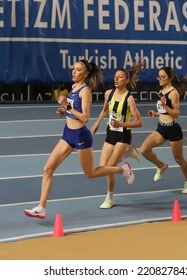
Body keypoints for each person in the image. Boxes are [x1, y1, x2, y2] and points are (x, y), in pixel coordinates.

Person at [24, 60, 134, 219]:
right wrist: (64, 111)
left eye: (78, 70)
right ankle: (42, 207)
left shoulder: (85, 91)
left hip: (81, 136)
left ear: (86, 74)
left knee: (91, 173)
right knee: (48, 168)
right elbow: (73, 111)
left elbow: (85, 118)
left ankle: (123, 169)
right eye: (73, 69)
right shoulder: (73, 88)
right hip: (68, 134)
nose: (74, 72)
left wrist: (68, 108)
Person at [90, 62, 144, 209]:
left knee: (110, 167)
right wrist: (97, 123)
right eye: (115, 77)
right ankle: (128, 155)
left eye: (120, 77)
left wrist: (122, 125)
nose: (116, 79)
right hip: (110, 134)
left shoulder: (129, 99)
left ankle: (110, 198)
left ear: (126, 80)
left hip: (123, 136)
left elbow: (139, 122)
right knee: (103, 167)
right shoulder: (109, 93)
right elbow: (104, 110)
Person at [140, 67, 187, 194]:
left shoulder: (173, 93)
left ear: (170, 78)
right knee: (144, 150)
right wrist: (156, 113)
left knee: (179, 159)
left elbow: (176, 113)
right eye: (159, 76)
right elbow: (165, 112)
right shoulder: (162, 91)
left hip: (172, 129)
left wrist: (164, 105)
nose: (160, 79)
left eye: (163, 77)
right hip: (161, 128)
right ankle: (161, 166)